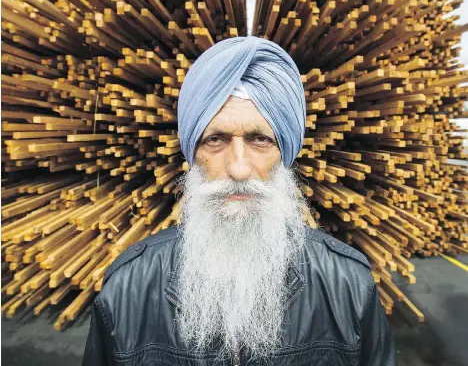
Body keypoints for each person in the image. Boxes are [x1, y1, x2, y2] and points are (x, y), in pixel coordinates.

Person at [82, 36, 397, 366]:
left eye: (260, 139)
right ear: (193, 154)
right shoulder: (128, 287)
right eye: (215, 140)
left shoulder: (348, 285)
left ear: (283, 154)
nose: (238, 168)